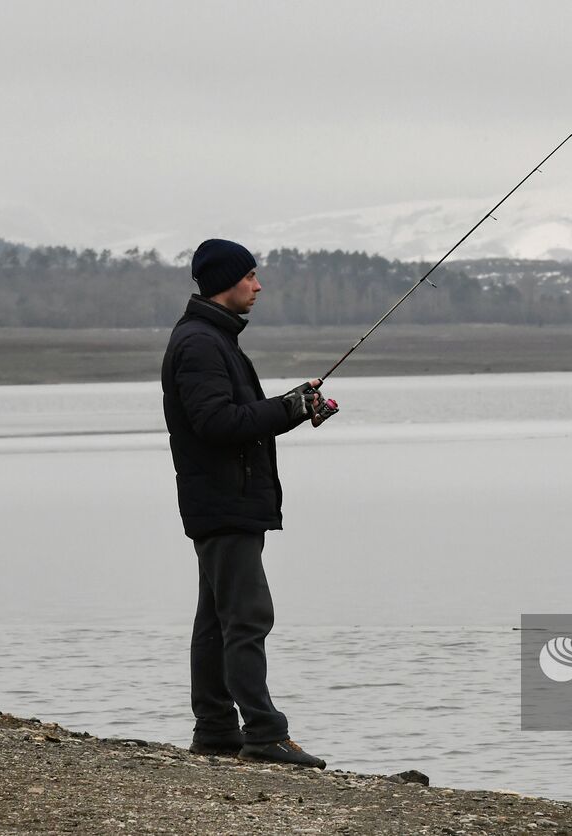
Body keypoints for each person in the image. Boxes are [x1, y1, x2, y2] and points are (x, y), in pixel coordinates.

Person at [160, 238, 333, 768]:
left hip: (224, 503)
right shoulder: (200, 344)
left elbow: (235, 416)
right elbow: (217, 424)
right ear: (224, 282)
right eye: (251, 277)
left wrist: (294, 407)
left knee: (216, 620)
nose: (259, 287)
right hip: (224, 504)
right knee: (247, 617)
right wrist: (287, 409)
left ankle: (214, 729)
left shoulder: (214, 340)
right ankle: (262, 732)